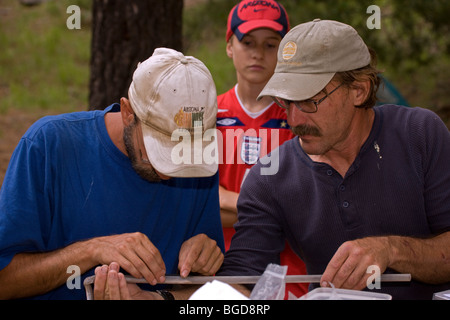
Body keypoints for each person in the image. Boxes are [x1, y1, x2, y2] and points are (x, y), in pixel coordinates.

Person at [217, 19, 450, 300]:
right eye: (286, 102)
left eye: (309, 101)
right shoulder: (269, 176)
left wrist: (392, 249)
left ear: (359, 90)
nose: (294, 119)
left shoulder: (419, 134)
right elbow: (240, 280)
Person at [0, 48, 224, 300]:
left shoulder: (199, 167)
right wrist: (91, 250)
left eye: (184, 152)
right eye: (160, 149)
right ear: (128, 113)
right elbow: (5, 280)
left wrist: (187, 279)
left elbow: (214, 293)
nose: (169, 170)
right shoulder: (48, 145)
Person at [217, 0, 308, 298]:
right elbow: (199, 200)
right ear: (229, 45)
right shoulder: (207, 114)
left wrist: (230, 205)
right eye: (247, 42)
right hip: (219, 264)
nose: (258, 53)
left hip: (291, 273)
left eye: (271, 44)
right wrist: (266, 207)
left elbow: (305, 206)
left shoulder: (301, 117)